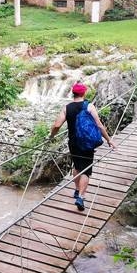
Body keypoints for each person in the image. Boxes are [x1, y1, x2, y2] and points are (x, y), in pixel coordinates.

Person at [49, 82, 117, 211]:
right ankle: (80, 197)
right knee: (86, 170)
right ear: (84, 93)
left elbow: (57, 125)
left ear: (72, 93)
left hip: (73, 142)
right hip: (87, 142)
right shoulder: (89, 106)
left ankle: (76, 189)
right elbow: (99, 125)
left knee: (77, 165)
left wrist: (51, 136)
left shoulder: (66, 107)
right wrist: (109, 140)